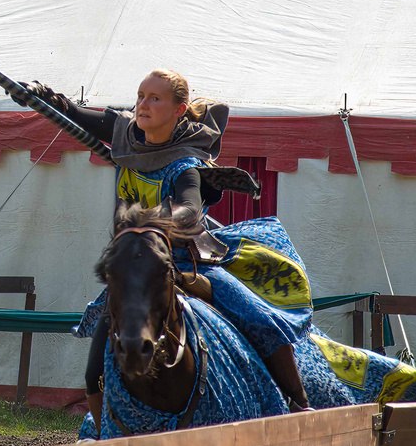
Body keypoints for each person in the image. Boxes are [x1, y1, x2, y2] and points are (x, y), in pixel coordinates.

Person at [29, 70, 313, 425]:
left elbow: (191, 209)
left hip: (187, 260)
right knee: (93, 371)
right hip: (136, 268)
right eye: (140, 95)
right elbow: (77, 114)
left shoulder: (186, 163)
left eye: (154, 99)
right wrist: (44, 98)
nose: (142, 105)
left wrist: (155, 220)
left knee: (262, 323)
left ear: (180, 110)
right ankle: (105, 437)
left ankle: (301, 407)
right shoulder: (127, 138)